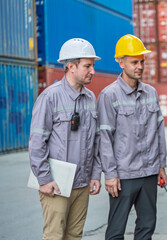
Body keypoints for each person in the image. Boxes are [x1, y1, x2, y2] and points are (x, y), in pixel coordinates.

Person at [29, 38, 102, 239]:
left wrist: (95, 174)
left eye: (93, 66)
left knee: (74, 235)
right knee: (54, 235)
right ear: (71, 66)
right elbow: (37, 143)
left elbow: (95, 142)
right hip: (56, 183)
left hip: (82, 183)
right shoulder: (49, 97)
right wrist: (44, 179)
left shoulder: (90, 98)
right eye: (87, 66)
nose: (92, 71)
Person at [97, 34, 167, 240]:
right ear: (121, 62)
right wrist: (110, 174)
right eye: (134, 62)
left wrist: (161, 165)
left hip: (149, 173)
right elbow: (104, 138)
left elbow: (159, 131)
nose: (140, 66)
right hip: (123, 175)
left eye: (142, 62)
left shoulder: (151, 93)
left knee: (147, 227)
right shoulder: (109, 95)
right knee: (116, 230)